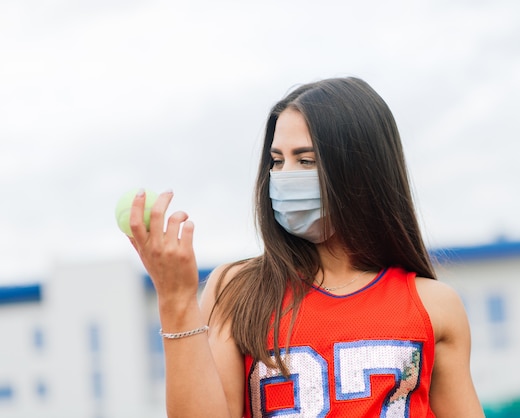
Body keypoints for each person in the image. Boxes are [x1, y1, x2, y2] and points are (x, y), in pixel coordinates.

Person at [127, 77, 485, 417]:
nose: (283, 177)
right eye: (278, 161)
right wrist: (175, 299)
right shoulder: (237, 289)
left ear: (360, 170)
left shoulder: (434, 305)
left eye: (306, 160)